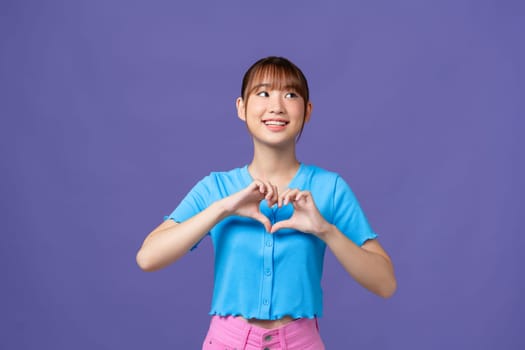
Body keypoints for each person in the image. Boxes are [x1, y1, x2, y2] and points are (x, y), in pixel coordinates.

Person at [136, 56, 396, 349]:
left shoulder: (330, 188)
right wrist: (223, 208)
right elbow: (148, 258)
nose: (277, 106)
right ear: (241, 108)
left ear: (307, 110)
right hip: (226, 342)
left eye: (291, 94)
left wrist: (325, 230)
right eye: (263, 93)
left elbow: (385, 283)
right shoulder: (217, 188)